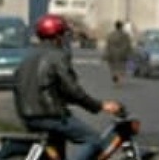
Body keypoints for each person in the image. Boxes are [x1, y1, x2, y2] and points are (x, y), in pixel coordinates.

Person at [14, 14, 122, 160]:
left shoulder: (28, 57)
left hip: (28, 115)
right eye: (63, 34)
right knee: (94, 140)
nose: (65, 38)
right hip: (50, 116)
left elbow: (41, 88)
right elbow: (73, 90)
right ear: (58, 36)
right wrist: (100, 106)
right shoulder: (58, 56)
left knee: (58, 151)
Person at [103, 20, 133, 85]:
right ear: (121, 26)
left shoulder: (111, 35)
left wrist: (106, 54)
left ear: (115, 26)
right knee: (121, 68)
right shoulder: (125, 35)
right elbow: (128, 45)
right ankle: (119, 80)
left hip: (112, 54)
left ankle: (115, 76)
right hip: (122, 54)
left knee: (113, 67)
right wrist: (130, 53)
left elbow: (108, 45)